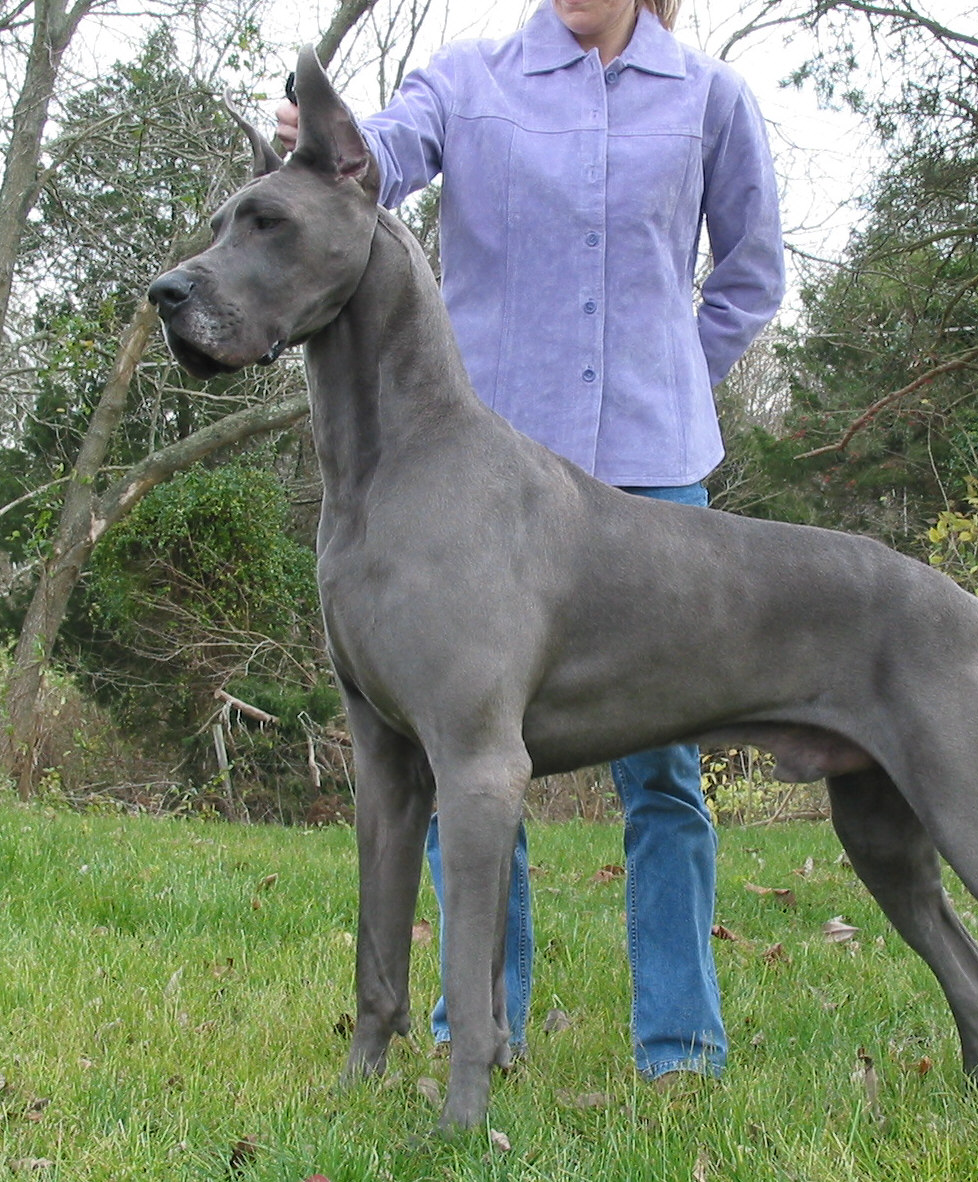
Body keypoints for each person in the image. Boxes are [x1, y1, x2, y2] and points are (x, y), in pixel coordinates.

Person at [276, 0, 784, 1082]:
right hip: (481, 485)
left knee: (664, 777)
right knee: (467, 767)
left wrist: (679, 372)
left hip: (649, 472)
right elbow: (383, 159)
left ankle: (680, 1046)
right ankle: (480, 1028)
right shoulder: (467, 81)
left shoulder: (708, 98)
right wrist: (324, 145)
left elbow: (750, 271)